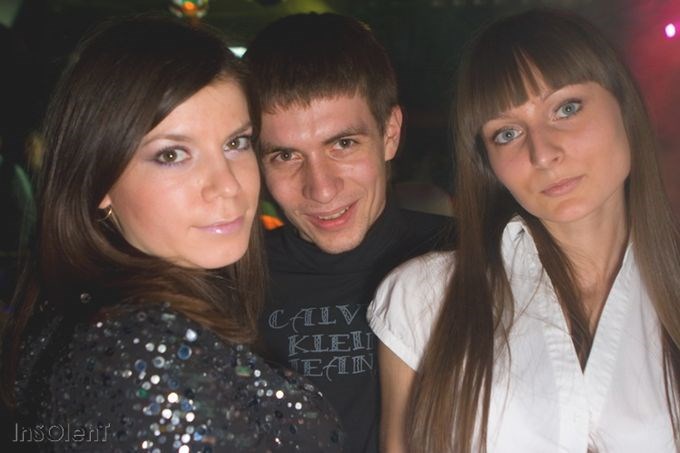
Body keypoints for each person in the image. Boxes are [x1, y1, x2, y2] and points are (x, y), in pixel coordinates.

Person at [0, 15, 343, 452]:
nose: (227, 186)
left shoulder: (82, 313)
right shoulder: (145, 355)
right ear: (99, 179)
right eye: (172, 155)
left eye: (236, 143)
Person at [369, 8, 680, 453]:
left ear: (623, 107)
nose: (543, 153)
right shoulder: (424, 298)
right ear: (488, 164)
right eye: (507, 133)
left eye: (566, 109)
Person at [244, 13, 452, 453]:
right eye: (285, 156)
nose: (321, 188)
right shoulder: (228, 284)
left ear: (390, 134)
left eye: (343, 144)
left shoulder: (469, 259)